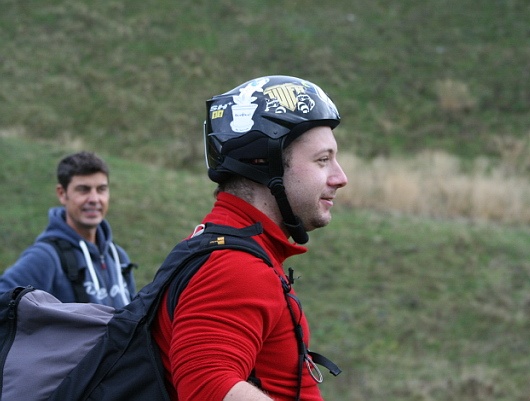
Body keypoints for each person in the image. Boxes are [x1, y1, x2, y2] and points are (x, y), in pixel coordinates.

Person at [152, 75, 348, 400]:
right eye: (322, 160)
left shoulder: (233, 247)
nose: (340, 177)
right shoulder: (235, 267)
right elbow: (206, 387)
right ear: (266, 163)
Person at [0, 151, 136, 307]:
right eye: (83, 189)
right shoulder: (45, 256)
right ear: (62, 194)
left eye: (101, 189)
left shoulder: (118, 257)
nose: (94, 199)